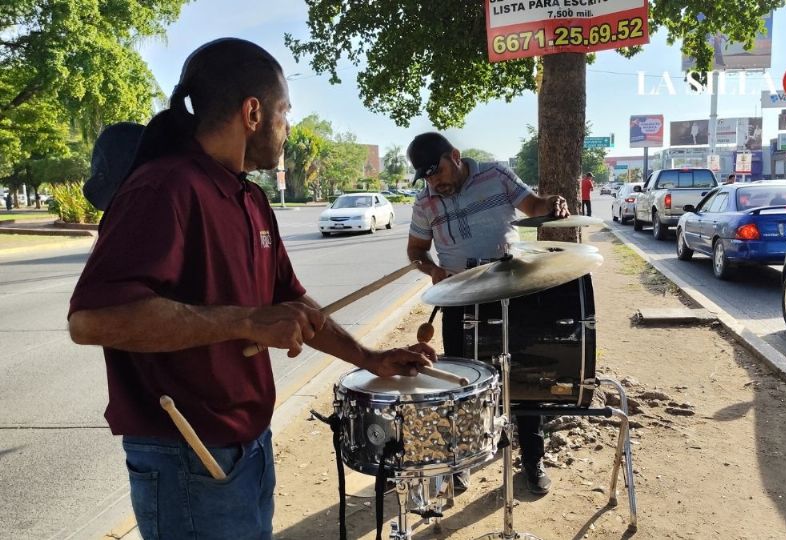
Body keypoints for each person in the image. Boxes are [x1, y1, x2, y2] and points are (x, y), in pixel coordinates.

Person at [67, 38, 433, 540]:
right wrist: (242, 319)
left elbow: (291, 301)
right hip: (188, 455)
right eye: (285, 111)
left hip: (247, 443)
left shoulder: (249, 197)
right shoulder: (165, 188)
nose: (288, 127)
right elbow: (92, 319)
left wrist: (368, 359)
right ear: (253, 112)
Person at [405, 132, 569, 496]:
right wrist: (431, 270)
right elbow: (416, 250)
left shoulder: (496, 175)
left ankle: (532, 460)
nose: (435, 182)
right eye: (428, 176)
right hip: (459, 297)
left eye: (438, 172)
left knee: (525, 376)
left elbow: (534, 205)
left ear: (456, 156)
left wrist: (551, 204)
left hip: (512, 288)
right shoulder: (424, 203)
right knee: (461, 383)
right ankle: (460, 463)